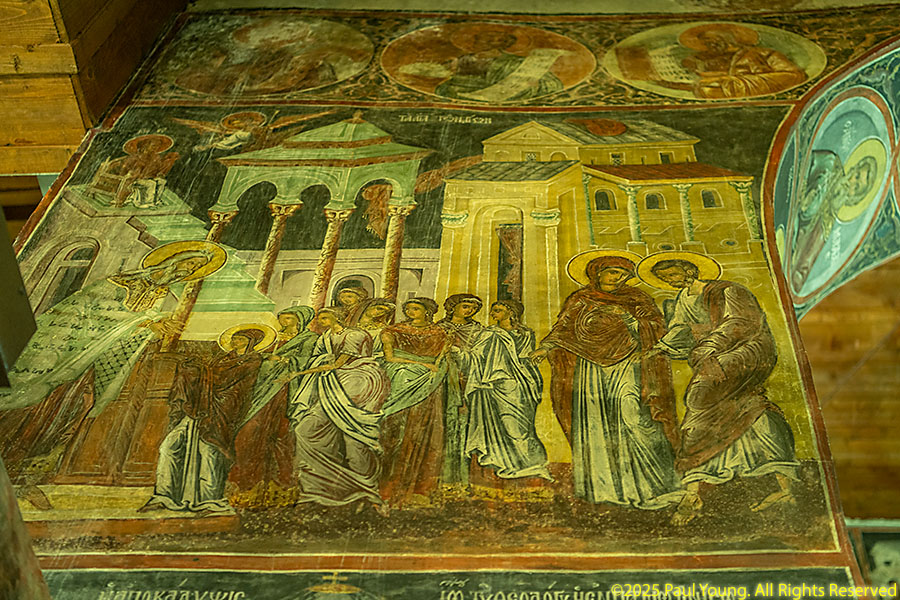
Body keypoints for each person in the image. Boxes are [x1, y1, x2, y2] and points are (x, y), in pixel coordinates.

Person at [0, 241, 225, 509]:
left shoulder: (163, 296)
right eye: (189, 264)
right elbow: (85, 314)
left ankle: (21, 477)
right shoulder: (117, 283)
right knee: (32, 406)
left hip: (93, 369)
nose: (188, 271)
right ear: (172, 261)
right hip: (65, 358)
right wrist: (145, 322)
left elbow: (143, 330)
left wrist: (153, 327)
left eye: (195, 269)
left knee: (72, 412)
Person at [638, 252, 800, 525]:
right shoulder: (682, 299)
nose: (671, 280)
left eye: (673, 274)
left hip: (747, 349)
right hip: (711, 355)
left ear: (689, 269)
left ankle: (693, 490)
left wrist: (709, 345)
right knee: (748, 406)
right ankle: (782, 487)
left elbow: (741, 323)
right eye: (665, 278)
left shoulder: (729, 290)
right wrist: (660, 348)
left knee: (701, 398)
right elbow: (680, 329)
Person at [530, 251, 680, 509]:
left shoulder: (637, 298)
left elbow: (656, 328)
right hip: (589, 367)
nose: (617, 278)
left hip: (627, 362)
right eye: (613, 272)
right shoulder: (580, 299)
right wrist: (545, 348)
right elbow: (564, 327)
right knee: (594, 423)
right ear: (597, 273)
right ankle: (604, 489)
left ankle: (657, 485)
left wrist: (627, 317)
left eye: (623, 275)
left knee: (633, 416)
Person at [141, 325, 271, 513]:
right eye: (234, 338)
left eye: (241, 339)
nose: (236, 341)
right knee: (170, 446)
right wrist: (192, 368)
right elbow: (208, 375)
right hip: (199, 407)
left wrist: (203, 371)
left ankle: (210, 500)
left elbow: (230, 381)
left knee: (209, 452)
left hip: (222, 410)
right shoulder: (220, 359)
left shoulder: (252, 360)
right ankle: (165, 495)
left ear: (251, 343)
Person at [289, 308, 390, 510]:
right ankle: (320, 488)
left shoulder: (355, 335)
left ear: (338, 317)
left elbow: (336, 363)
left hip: (360, 380)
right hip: (332, 381)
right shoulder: (325, 338)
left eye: (325, 317)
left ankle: (366, 490)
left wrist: (298, 373)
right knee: (305, 430)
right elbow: (319, 359)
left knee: (354, 437)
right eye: (319, 317)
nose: (321, 320)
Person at [229, 306, 319, 497]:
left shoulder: (309, 338)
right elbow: (257, 355)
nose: (284, 321)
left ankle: (279, 481)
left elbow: (306, 360)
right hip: (261, 386)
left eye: (289, 318)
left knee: (278, 431)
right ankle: (248, 479)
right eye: (282, 318)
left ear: (300, 319)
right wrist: (266, 357)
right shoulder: (274, 337)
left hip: (284, 387)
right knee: (250, 432)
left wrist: (284, 360)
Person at [460, 300, 551, 483]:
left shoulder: (526, 333)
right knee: (509, 426)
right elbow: (475, 357)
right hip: (499, 384)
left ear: (510, 312)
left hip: (524, 383)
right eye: (493, 310)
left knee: (524, 427)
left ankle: (532, 464)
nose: (492, 314)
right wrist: (457, 353)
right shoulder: (489, 333)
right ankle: (514, 465)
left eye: (497, 310)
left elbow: (526, 358)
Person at [379, 298, 452, 508]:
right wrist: (422, 364)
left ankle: (416, 486)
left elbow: (442, 358)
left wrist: (436, 367)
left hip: (428, 382)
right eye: (408, 308)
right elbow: (390, 358)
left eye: (416, 309)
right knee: (394, 429)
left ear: (428, 311)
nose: (411, 312)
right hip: (401, 379)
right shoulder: (394, 330)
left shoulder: (440, 332)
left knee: (420, 427)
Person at [790, 151, 878, 292]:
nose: (851, 183)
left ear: (854, 198)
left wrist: (829, 206)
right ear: (853, 168)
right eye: (856, 176)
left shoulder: (826, 225)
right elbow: (799, 160)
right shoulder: (829, 162)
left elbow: (798, 276)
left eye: (856, 188)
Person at [438, 293, 485, 486]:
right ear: (453, 307)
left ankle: (464, 474)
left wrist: (460, 355)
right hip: (442, 378)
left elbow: (482, 355)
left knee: (465, 423)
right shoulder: (439, 328)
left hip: (468, 379)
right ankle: (443, 473)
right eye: (466, 306)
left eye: (474, 308)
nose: (470, 310)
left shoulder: (478, 330)